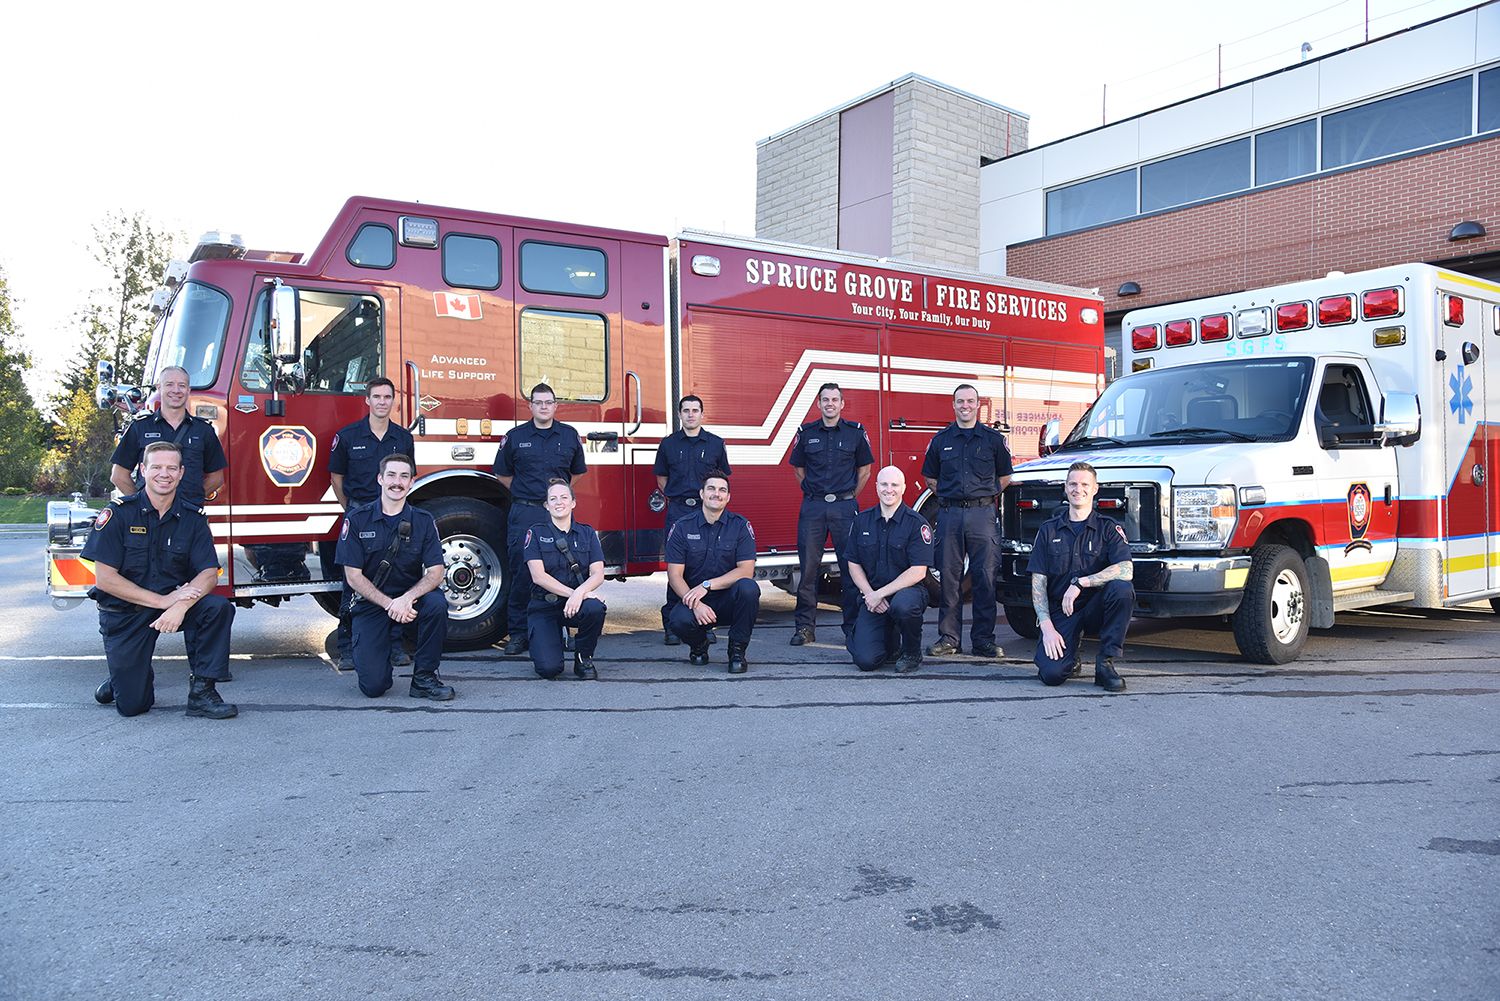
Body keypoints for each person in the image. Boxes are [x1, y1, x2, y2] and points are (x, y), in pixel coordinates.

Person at [84, 441, 237, 719]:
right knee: (133, 706)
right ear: (142, 470)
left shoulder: (193, 518)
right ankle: (125, 677)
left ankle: (202, 694)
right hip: (125, 613)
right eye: (156, 467)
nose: (163, 474)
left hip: (172, 606)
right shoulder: (118, 513)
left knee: (217, 608)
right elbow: (105, 579)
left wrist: (179, 606)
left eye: (171, 468)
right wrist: (163, 601)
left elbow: (208, 573)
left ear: (181, 473)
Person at [335, 453, 455, 700]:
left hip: (409, 601)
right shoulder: (357, 520)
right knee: (374, 687)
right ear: (380, 479)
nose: (397, 482)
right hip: (371, 603)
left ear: (411, 482)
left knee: (436, 604)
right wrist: (391, 604)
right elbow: (353, 576)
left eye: (404, 476)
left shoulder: (423, 520)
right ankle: (382, 651)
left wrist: (406, 599)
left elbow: (436, 572)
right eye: (391, 475)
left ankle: (424, 679)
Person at [325, 377, 416, 670]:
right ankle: (347, 647)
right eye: (376, 397)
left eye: (387, 397)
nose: (382, 402)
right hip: (360, 514)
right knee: (353, 582)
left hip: (393, 516)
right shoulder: (348, 436)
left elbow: (406, 478)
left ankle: (394, 646)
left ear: (393, 401)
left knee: (395, 578)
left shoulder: (403, 438)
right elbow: (336, 479)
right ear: (367, 400)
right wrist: (352, 510)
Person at [492, 384, 588, 657]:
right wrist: (527, 496)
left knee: (564, 568)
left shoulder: (569, 436)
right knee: (522, 572)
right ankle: (519, 634)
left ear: (556, 406)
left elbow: (576, 473)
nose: (544, 407)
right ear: (530, 406)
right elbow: (503, 474)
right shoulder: (515, 436)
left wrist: (557, 498)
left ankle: (563, 627)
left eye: (548, 402)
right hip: (525, 512)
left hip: (557, 513)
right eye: (538, 402)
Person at [922, 383, 1013, 660]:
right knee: (949, 578)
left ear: (977, 404)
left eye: (970, 401)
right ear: (954, 405)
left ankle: (983, 640)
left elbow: (1005, 476)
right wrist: (954, 499)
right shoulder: (941, 440)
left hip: (982, 515)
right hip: (949, 515)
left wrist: (982, 496)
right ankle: (949, 638)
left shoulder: (992, 440)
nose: (965, 406)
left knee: (985, 577)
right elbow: (931, 479)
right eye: (960, 401)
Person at [1028, 461, 1132, 692]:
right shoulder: (1048, 530)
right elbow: (1038, 583)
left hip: (1096, 607)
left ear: (1095, 489)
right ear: (1065, 488)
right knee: (1052, 675)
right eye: (1073, 484)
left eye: (1085, 484)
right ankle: (1070, 656)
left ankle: (1105, 663)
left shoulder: (1108, 528)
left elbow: (1126, 569)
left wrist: (1081, 583)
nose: (1078, 489)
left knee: (1122, 590)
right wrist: (1047, 627)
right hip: (1062, 611)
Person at [787, 382, 873, 646]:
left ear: (842, 404)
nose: (830, 404)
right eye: (825, 400)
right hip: (813, 507)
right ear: (818, 404)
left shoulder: (855, 433)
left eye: (835, 399)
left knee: (850, 570)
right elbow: (798, 469)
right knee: (808, 569)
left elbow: (865, 470)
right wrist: (814, 493)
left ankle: (853, 628)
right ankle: (804, 628)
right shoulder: (807, 432)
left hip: (845, 507)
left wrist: (848, 497)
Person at [653, 394, 731, 647]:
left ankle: (705, 623)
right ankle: (673, 625)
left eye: (695, 410)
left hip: (706, 510)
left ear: (701, 413)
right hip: (678, 510)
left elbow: (721, 478)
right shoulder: (668, 444)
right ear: (679, 414)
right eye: (686, 410)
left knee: (707, 565)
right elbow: (662, 479)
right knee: (677, 568)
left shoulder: (716, 444)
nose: (690, 414)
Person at [665, 470, 759, 673]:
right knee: (677, 620)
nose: (717, 494)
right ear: (701, 494)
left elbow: (746, 570)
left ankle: (737, 651)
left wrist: (706, 586)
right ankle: (699, 645)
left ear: (728, 497)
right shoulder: (682, 527)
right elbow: (674, 576)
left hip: (728, 601)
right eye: (711, 488)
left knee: (749, 588)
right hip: (695, 602)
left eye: (722, 490)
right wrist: (696, 604)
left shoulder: (741, 526)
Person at [844, 466, 934, 673]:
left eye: (894, 485)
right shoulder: (862, 521)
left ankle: (911, 652)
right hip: (873, 596)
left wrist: (879, 594)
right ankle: (891, 644)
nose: (889, 489)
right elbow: (853, 563)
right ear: (876, 487)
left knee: (903, 606)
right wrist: (869, 594)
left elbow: (918, 571)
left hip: (907, 592)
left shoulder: (916, 524)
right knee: (865, 661)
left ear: (903, 488)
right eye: (884, 484)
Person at [522, 480, 608, 679]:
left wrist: (579, 594)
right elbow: (538, 576)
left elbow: (598, 573)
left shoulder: (587, 533)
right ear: (546, 505)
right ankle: (554, 637)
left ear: (573, 503)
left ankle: (583, 658)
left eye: (563, 497)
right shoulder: (535, 533)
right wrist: (575, 594)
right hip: (545, 605)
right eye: (553, 499)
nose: (558, 502)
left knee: (595, 608)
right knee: (549, 670)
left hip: (575, 604)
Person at [109, 365, 227, 509]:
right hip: (150, 521)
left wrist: (192, 502)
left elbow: (217, 478)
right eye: (169, 384)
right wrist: (141, 506)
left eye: (182, 385)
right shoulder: (140, 428)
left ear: (188, 390)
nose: (176, 390)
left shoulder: (204, 431)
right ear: (159, 388)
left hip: (189, 520)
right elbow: (118, 476)